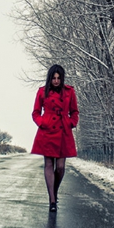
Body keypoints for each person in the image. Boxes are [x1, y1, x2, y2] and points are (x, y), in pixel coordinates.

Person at [31, 64, 79, 212]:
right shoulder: (42, 92)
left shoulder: (69, 92)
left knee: (60, 167)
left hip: (63, 131)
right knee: (48, 164)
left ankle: (54, 191)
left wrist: (71, 123)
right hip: (47, 131)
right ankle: (52, 200)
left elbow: (75, 112)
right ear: (50, 78)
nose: (56, 81)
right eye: (54, 78)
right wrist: (42, 122)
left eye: (59, 78)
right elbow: (35, 112)